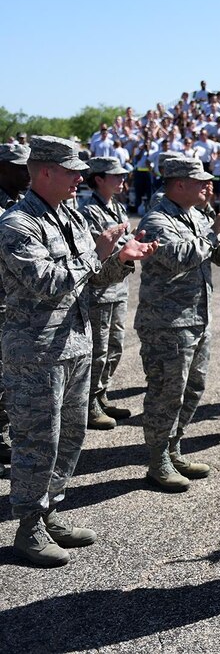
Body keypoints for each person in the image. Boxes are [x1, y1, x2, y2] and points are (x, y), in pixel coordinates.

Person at [0, 136, 156, 567]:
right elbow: (47, 282)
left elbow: (91, 279)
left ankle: (49, 512)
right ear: (45, 172)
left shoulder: (66, 215)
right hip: (35, 353)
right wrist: (98, 255)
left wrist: (121, 260)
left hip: (75, 343)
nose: (79, 178)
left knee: (71, 435)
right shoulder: (17, 225)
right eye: (72, 171)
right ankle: (28, 528)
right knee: (37, 441)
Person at [135, 156, 220, 493]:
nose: (207, 186)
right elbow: (180, 258)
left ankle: (173, 447)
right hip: (167, 324)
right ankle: (157, 461)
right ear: (179, 184)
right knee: (166, 394)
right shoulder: (157, 221)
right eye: (199, 181)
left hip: (196, 319)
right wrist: (212, 232)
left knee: (192, 390)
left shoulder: (195, 216)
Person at [78, 157, 137, 431]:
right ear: (98, 179)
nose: (121, 179)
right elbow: (99, 247)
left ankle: (102, 395)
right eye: (115, 175)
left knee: (115, 347)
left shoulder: (119, 206)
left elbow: (122, 244)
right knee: (98, 349)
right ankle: (88, 403)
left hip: (119, 287)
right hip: (100, 289)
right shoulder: (88, 210)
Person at [0, 142, 30, 472]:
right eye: (20, 167)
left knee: (9, 380)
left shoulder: (19, 204)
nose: (27, 173)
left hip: (12, 305)